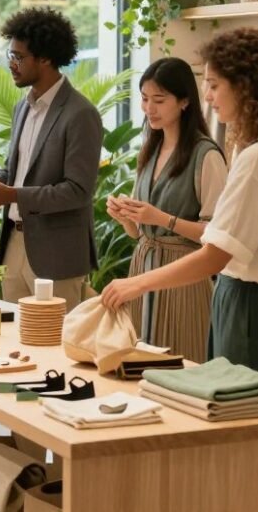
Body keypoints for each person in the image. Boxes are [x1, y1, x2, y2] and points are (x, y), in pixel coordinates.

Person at [101, 27, 258, 512]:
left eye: (215, 84)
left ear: (247, 86)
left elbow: (215, 253)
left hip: (254, 312)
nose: (209, 95)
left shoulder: (256, 157)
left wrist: (135, 282)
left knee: (249, 460)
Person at [0, 6, 102, 307]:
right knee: (16, 345)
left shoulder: (80, 114)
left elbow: (77, 192)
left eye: (19, 57)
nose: (12, 64)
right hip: (14, 246)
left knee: (56, 346)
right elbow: (15, 169)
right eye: (10, 56)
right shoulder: (22, 107)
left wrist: (12, 194)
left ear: (45, 58)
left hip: (56, 256)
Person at [107, 57, 227, 360]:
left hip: (184, 276)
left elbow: (215, 234)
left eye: (159, 100)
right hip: (142, 267)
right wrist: (125, 216)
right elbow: (137, 233)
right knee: (137, 364)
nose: (149, 108)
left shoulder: (206, 155)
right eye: (145, 99)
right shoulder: (149, 151)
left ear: (184, 101)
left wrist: (161, 218)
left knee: (181, 359)